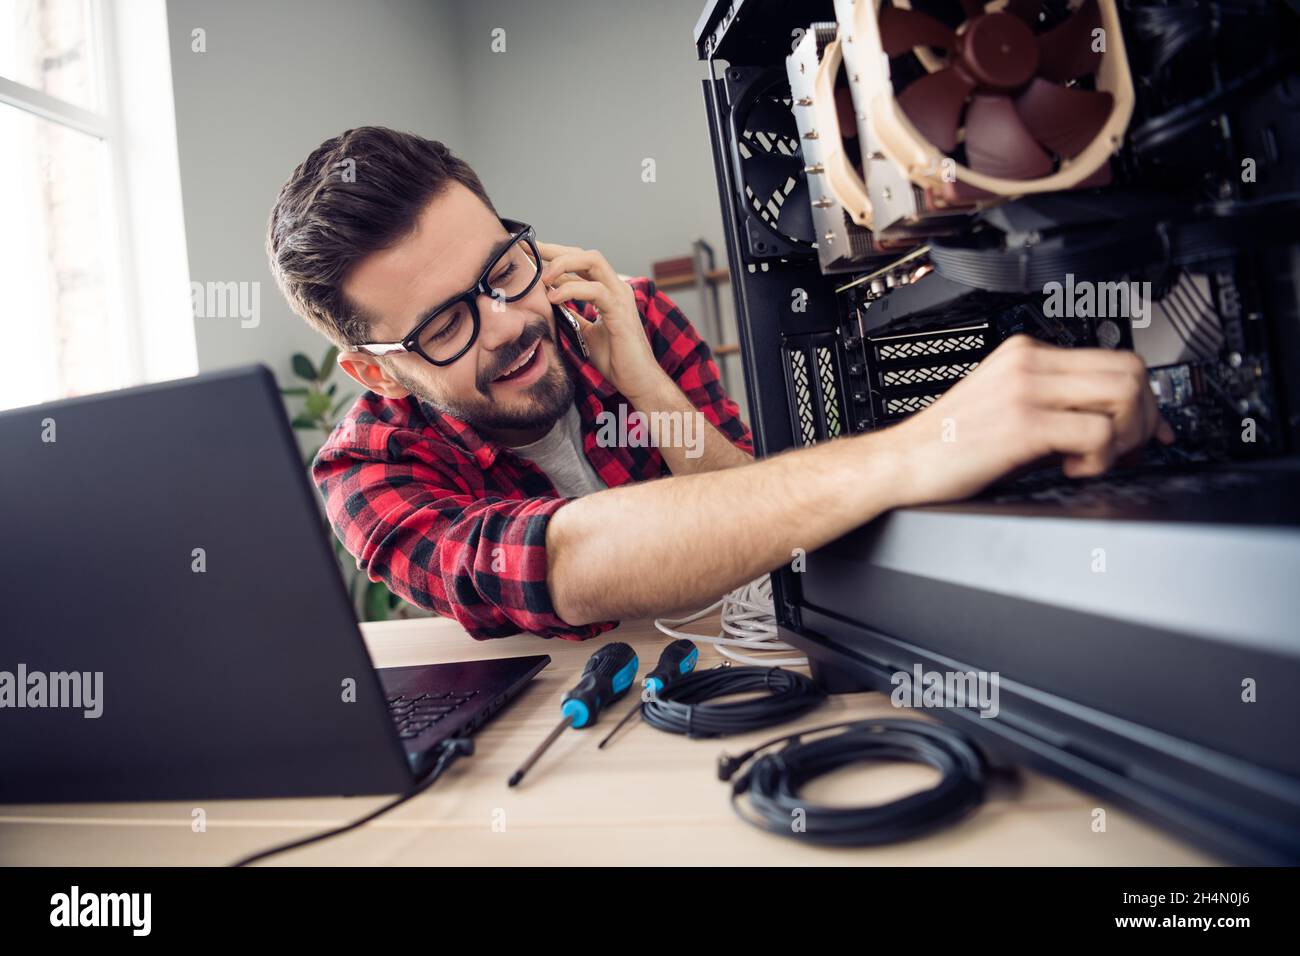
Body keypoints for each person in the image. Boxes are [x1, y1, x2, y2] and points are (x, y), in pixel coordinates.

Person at [266, 127, 1173, 641]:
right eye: (446, 326)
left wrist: (650, 390)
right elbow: (566, 563)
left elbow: (755, 508)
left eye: (504, 268)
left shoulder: (618, 315)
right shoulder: (367, 473)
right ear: (374, 369)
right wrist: (921, 451)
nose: (508, 322)